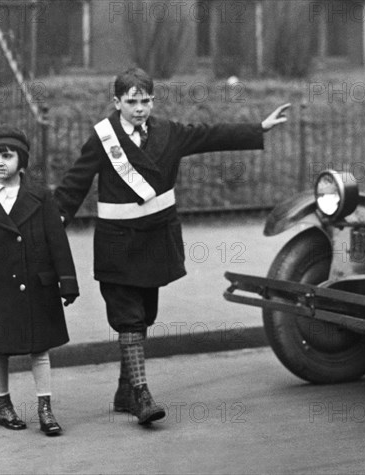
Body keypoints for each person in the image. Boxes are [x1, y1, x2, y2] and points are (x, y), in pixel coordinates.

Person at [53, 67, 289, 425]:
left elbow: (211, 136)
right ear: (117, 102)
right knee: (128, 318)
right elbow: (74, 185)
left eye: (145, 100)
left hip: (155, 241)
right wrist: (52, 225)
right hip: (117, 243)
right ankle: (141, 395)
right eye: (131, 102)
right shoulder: (104, 138)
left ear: (153, 101)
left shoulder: (169, 132)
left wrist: (259, 128)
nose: (139, 108)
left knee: (145, 316)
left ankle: (123, 391)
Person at [0, 125, 79, 436]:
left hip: (35, 285)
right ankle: (4, 405)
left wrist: (67, 281)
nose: (0, 162)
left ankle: (45, 407)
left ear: (20, 160)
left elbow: (57, 241)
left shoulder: (40, 196)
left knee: (40, 349)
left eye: (7, 156)